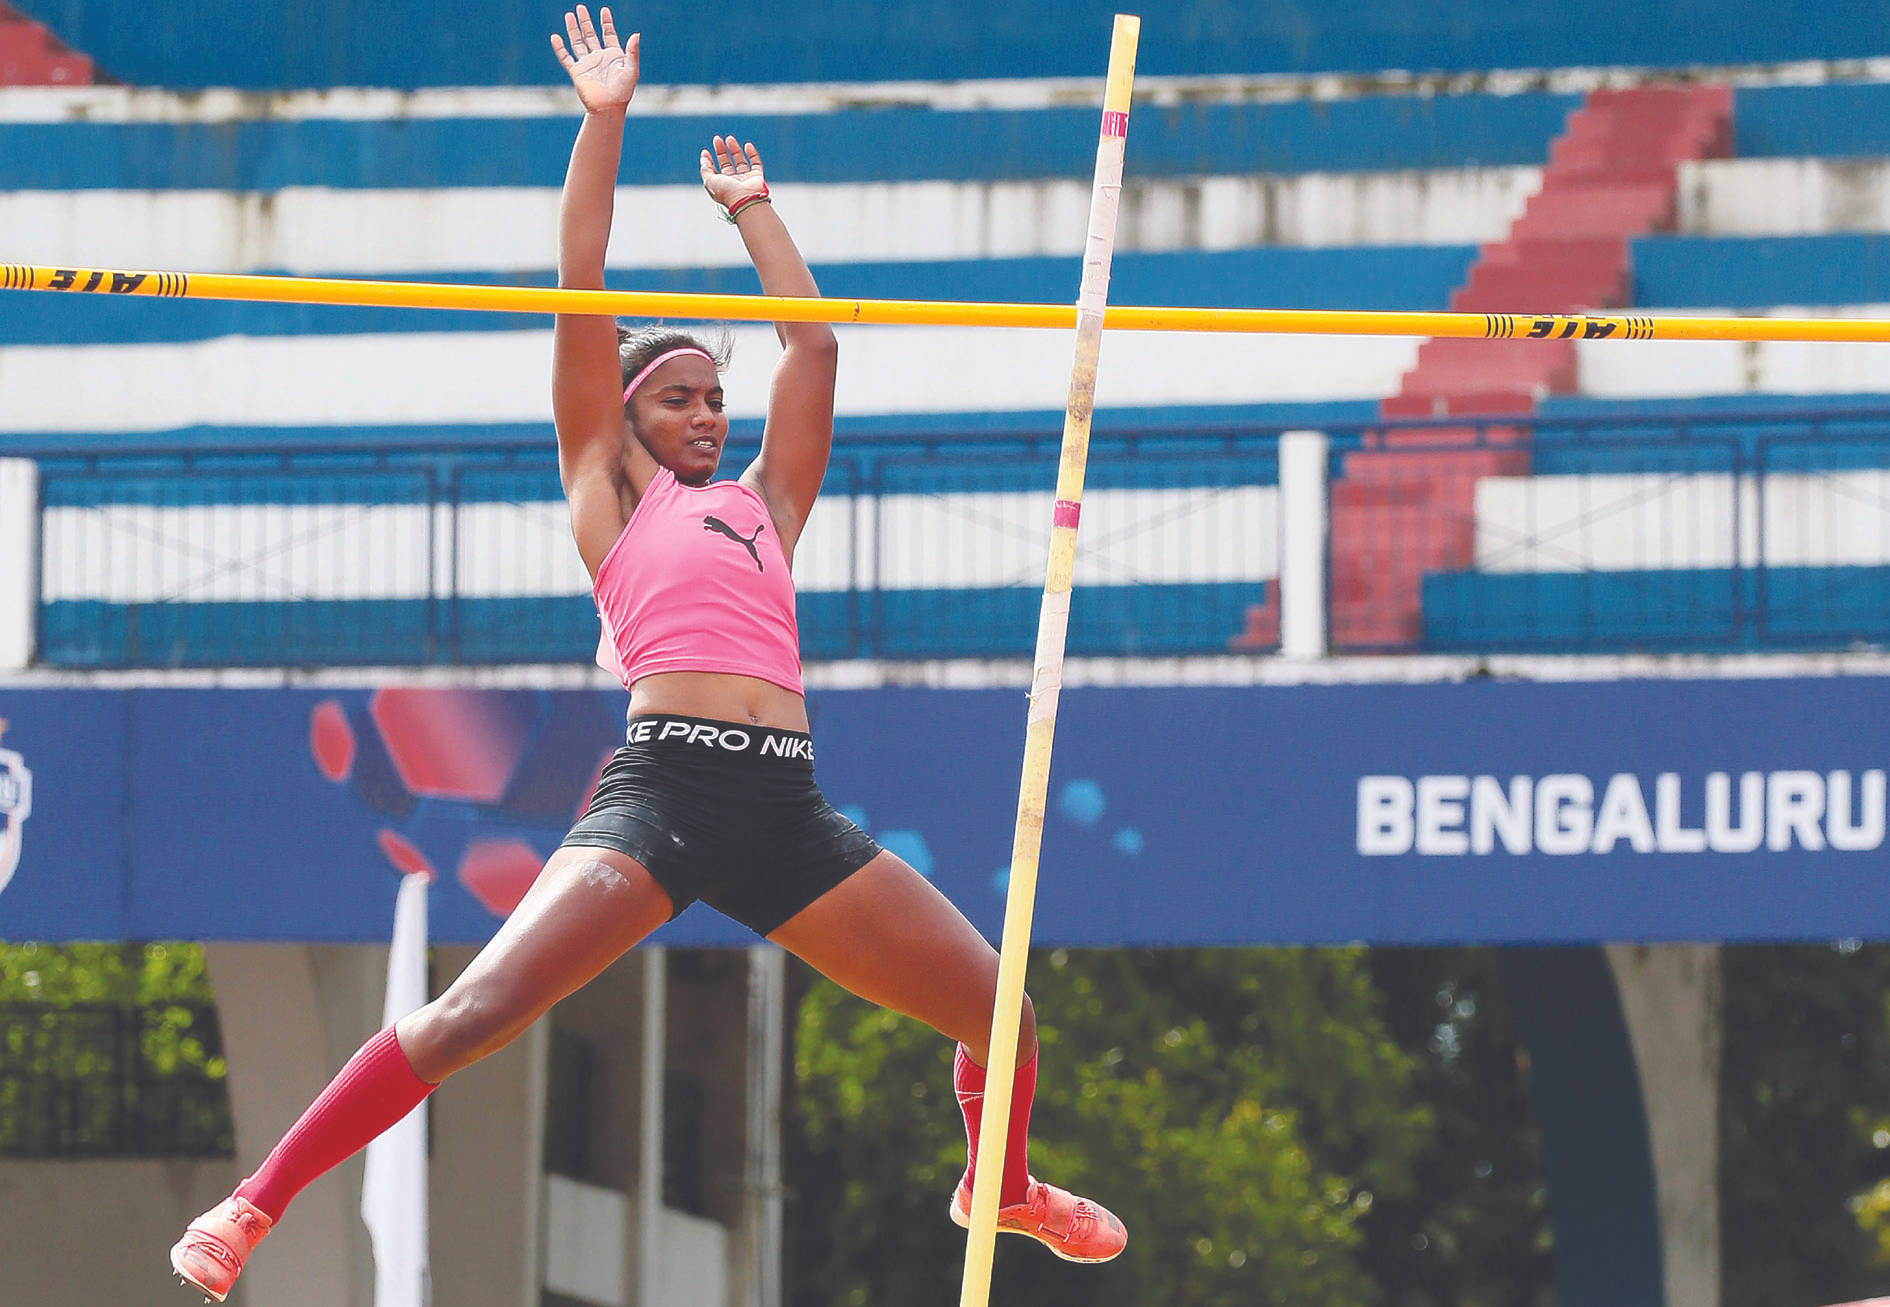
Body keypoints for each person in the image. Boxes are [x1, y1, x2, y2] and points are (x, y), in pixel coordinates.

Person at [168, 8, 1125, 1299]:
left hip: (783, 809)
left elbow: (815, 347)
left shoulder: (763, 513)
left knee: (1002, 1018)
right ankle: (254, 1201)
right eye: (678, 398)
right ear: (621, 422)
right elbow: (582, 280)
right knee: (472, 1018)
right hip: (660, 798)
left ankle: (995, 1187)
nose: (706, 416)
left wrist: (755, 210)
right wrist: (603, 121)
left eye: (713, 400)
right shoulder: (611, 498)